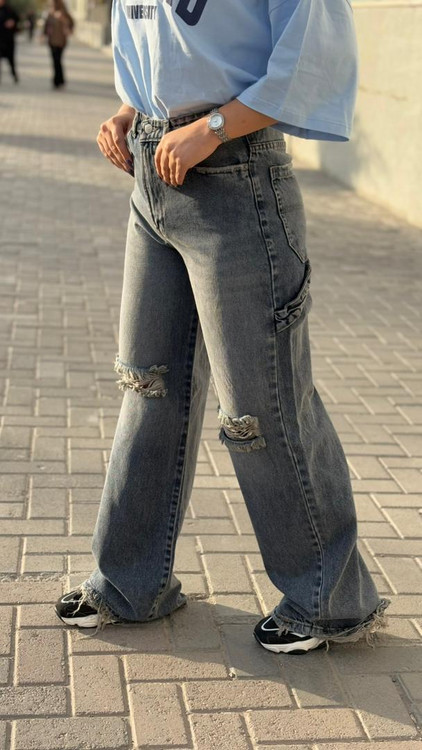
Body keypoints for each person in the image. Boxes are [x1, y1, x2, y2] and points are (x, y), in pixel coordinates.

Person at [55, 0, 390, 654]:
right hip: (153, 173)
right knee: (148, 387)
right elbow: (162, 47)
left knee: (261, 405)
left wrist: (211, 126)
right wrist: (128, 112)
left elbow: (313, 53)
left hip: (238, 179)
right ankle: (130, 583)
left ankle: (329, 600)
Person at [42, 0, 73, 89]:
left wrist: (62, 19)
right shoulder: (50, 14)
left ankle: (59, 80)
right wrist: (43, 36)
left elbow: (71, 25)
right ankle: (57, 80)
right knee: (55, 60)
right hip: (52, 41)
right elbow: (46, 27)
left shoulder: (65, 14)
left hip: (61, 42)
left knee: (58, 60)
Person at [0, 0, 19, 84]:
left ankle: (14, 75)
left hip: (8, 40)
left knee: (11, 60)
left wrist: (12, 22)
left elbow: (17, 19)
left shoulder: (9, 10)